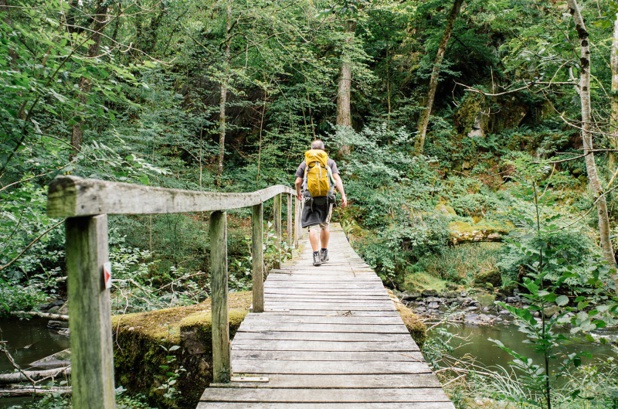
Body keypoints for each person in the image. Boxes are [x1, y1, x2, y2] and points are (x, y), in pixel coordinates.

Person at [295, 140, 347, 266]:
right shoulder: (329, 162)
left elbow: (297, 182)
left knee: (313, 226)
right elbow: (336, 179)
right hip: (326, 197)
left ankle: (315, 256)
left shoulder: (306, 162)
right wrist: (343, 195)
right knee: (324, 225)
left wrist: (298, 192)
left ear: (311, 149)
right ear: (324, 150)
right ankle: (324, 252)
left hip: (310, 197)